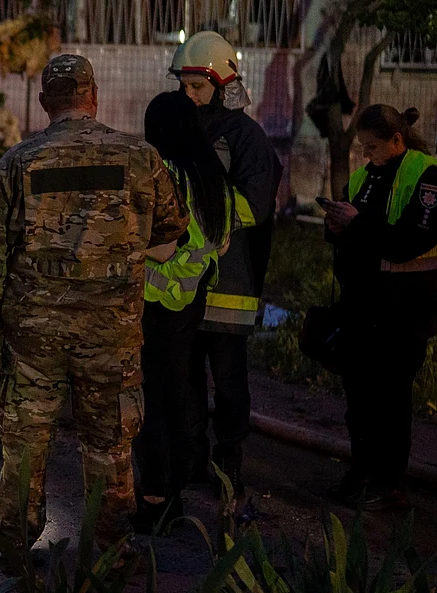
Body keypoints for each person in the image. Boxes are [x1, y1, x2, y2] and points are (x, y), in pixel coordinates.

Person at [0, 54, 188, 558]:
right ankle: (111, 549)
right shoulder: (140, 157)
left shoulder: (18, 163)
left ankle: (15, 551)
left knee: (25, 444)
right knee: (109, 445)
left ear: (47, 103)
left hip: (32, 335)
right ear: (94, 98)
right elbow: (171, 232)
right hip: (112, 335)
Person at [319, 105, 437, 510]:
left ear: (397, 141)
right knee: (359, 398)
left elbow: (411, 240)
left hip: (405, 310)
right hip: (362, 306)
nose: (364, 155)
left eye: (372, 147)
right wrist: (335, 227)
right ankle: (361, 471)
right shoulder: (366, 177)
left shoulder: (425, 175)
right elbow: (356, 232)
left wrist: (356, 225)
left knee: (391, 400)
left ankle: (390, 482)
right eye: (362, 147)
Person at [168, 31, 282, 499]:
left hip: (229, 283)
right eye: (185, 85)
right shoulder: (184, 129)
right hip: (185, 283)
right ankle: (193, 461)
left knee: (230, 386)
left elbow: (257, 204)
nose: (189, 94)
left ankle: (229, 466)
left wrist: (198, 206)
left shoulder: (246, 137)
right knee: (188, 382)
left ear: (222, 81)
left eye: (197, 86)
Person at [132, 90, 232, 532]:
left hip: (156, 302)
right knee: (177, 395)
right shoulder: (213, 175)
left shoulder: (166, 174)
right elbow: (222, 241)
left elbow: (165, 243)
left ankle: (155, 500)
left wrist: (128, 247)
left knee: (151, 401)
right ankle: (174, 492)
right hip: (193, 299)